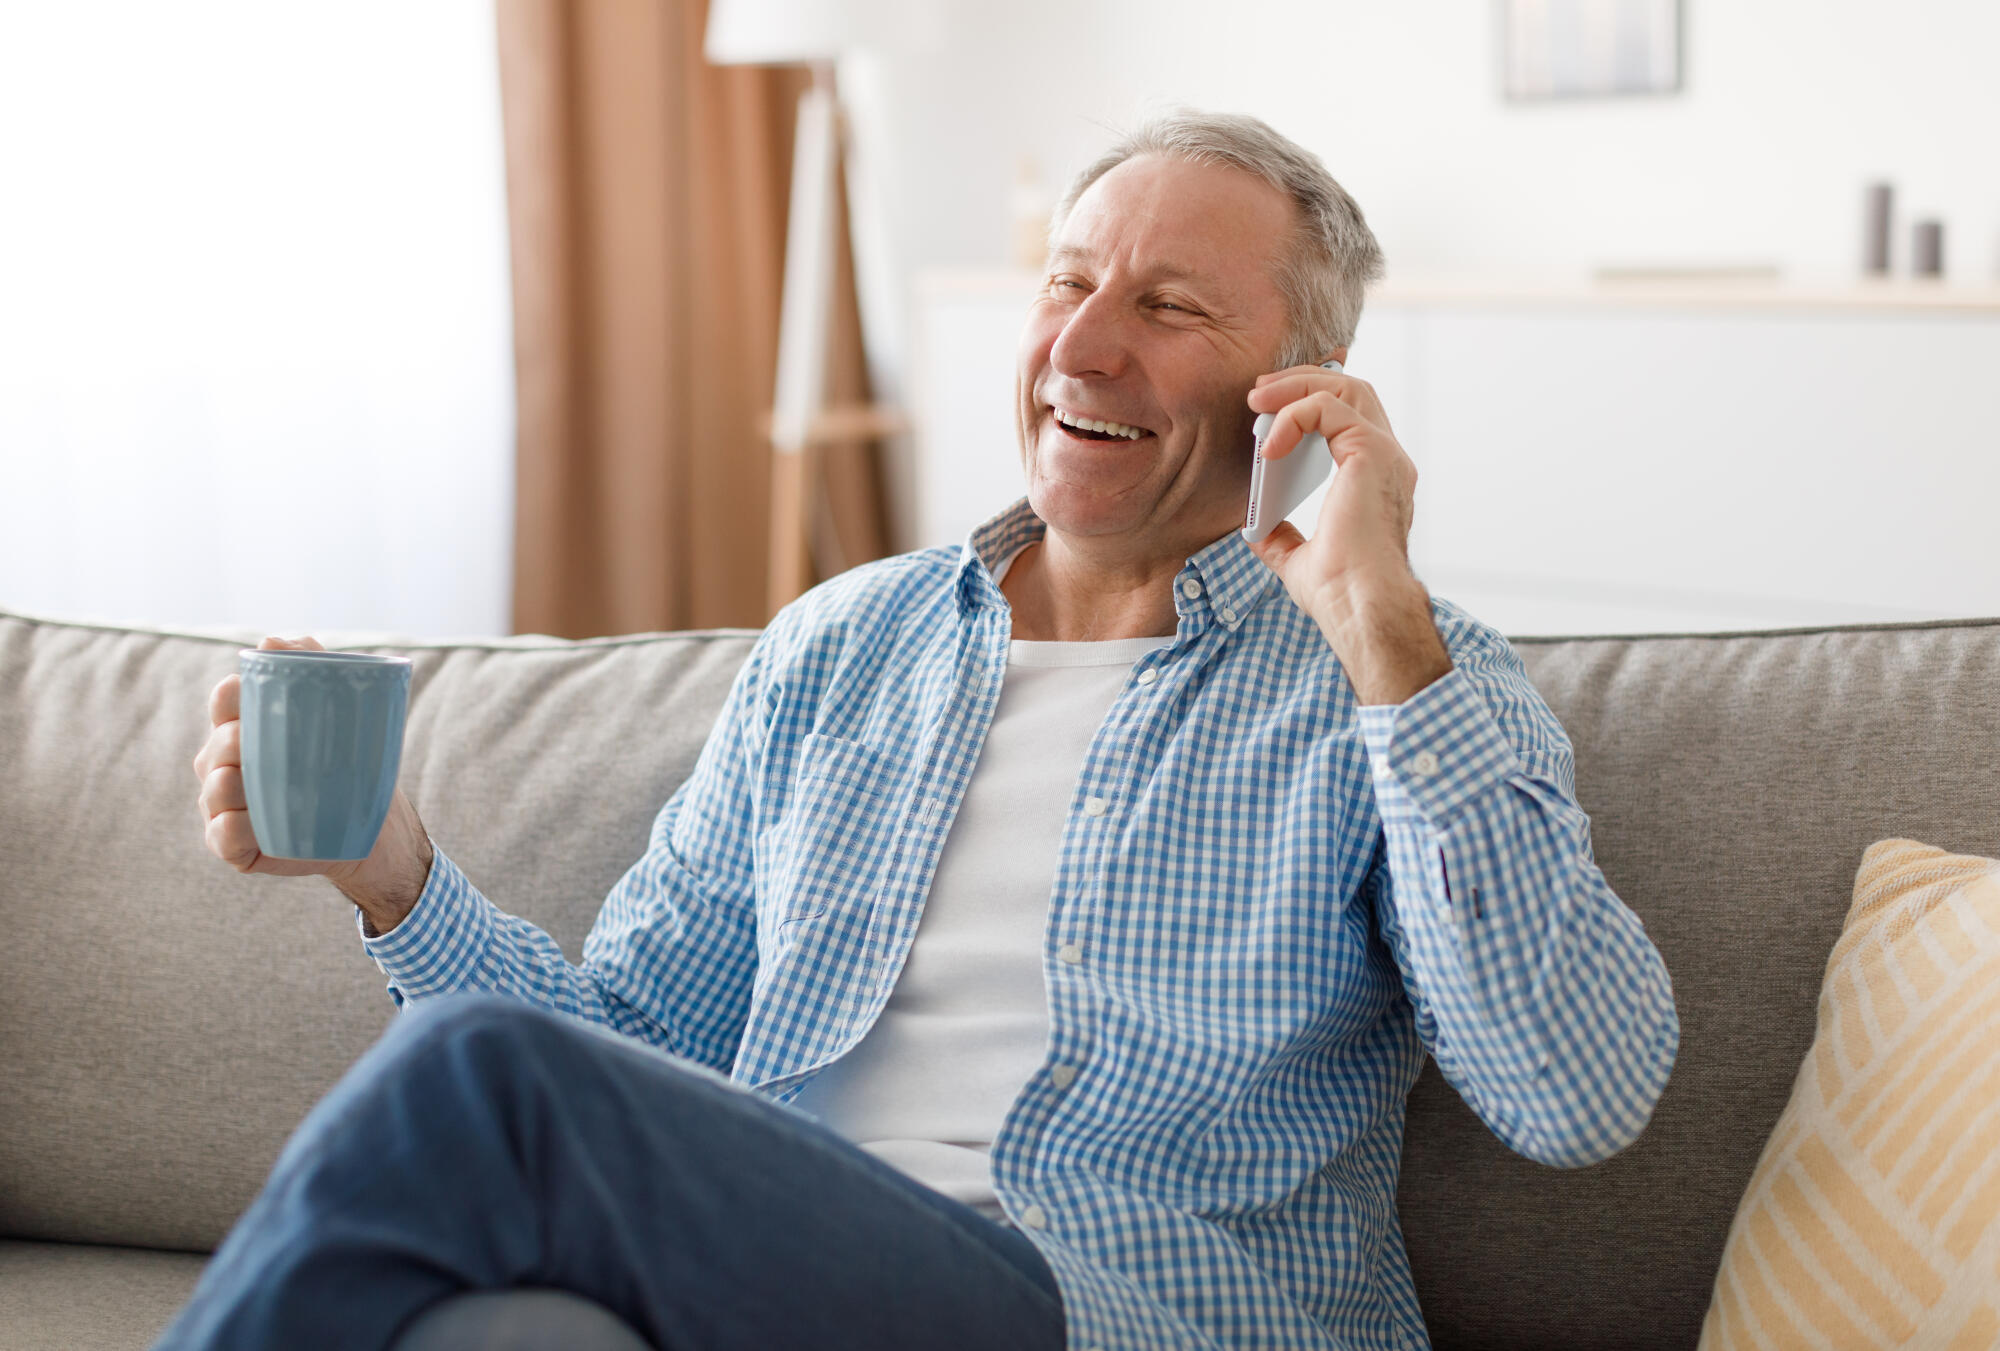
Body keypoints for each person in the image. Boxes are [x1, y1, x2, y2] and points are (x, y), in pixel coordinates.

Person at [172, 110, 1678, 1351]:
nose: (1083, 346)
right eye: (1066, 284)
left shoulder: (1402, 684)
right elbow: (636, 1050)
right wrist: (395, 878)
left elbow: (1576, 1095)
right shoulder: (843, 645)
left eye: (1166, 307)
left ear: (1299, 400)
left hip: (1117, 1315)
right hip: (778, 1281)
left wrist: (1386, 640)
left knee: (482, 1077)